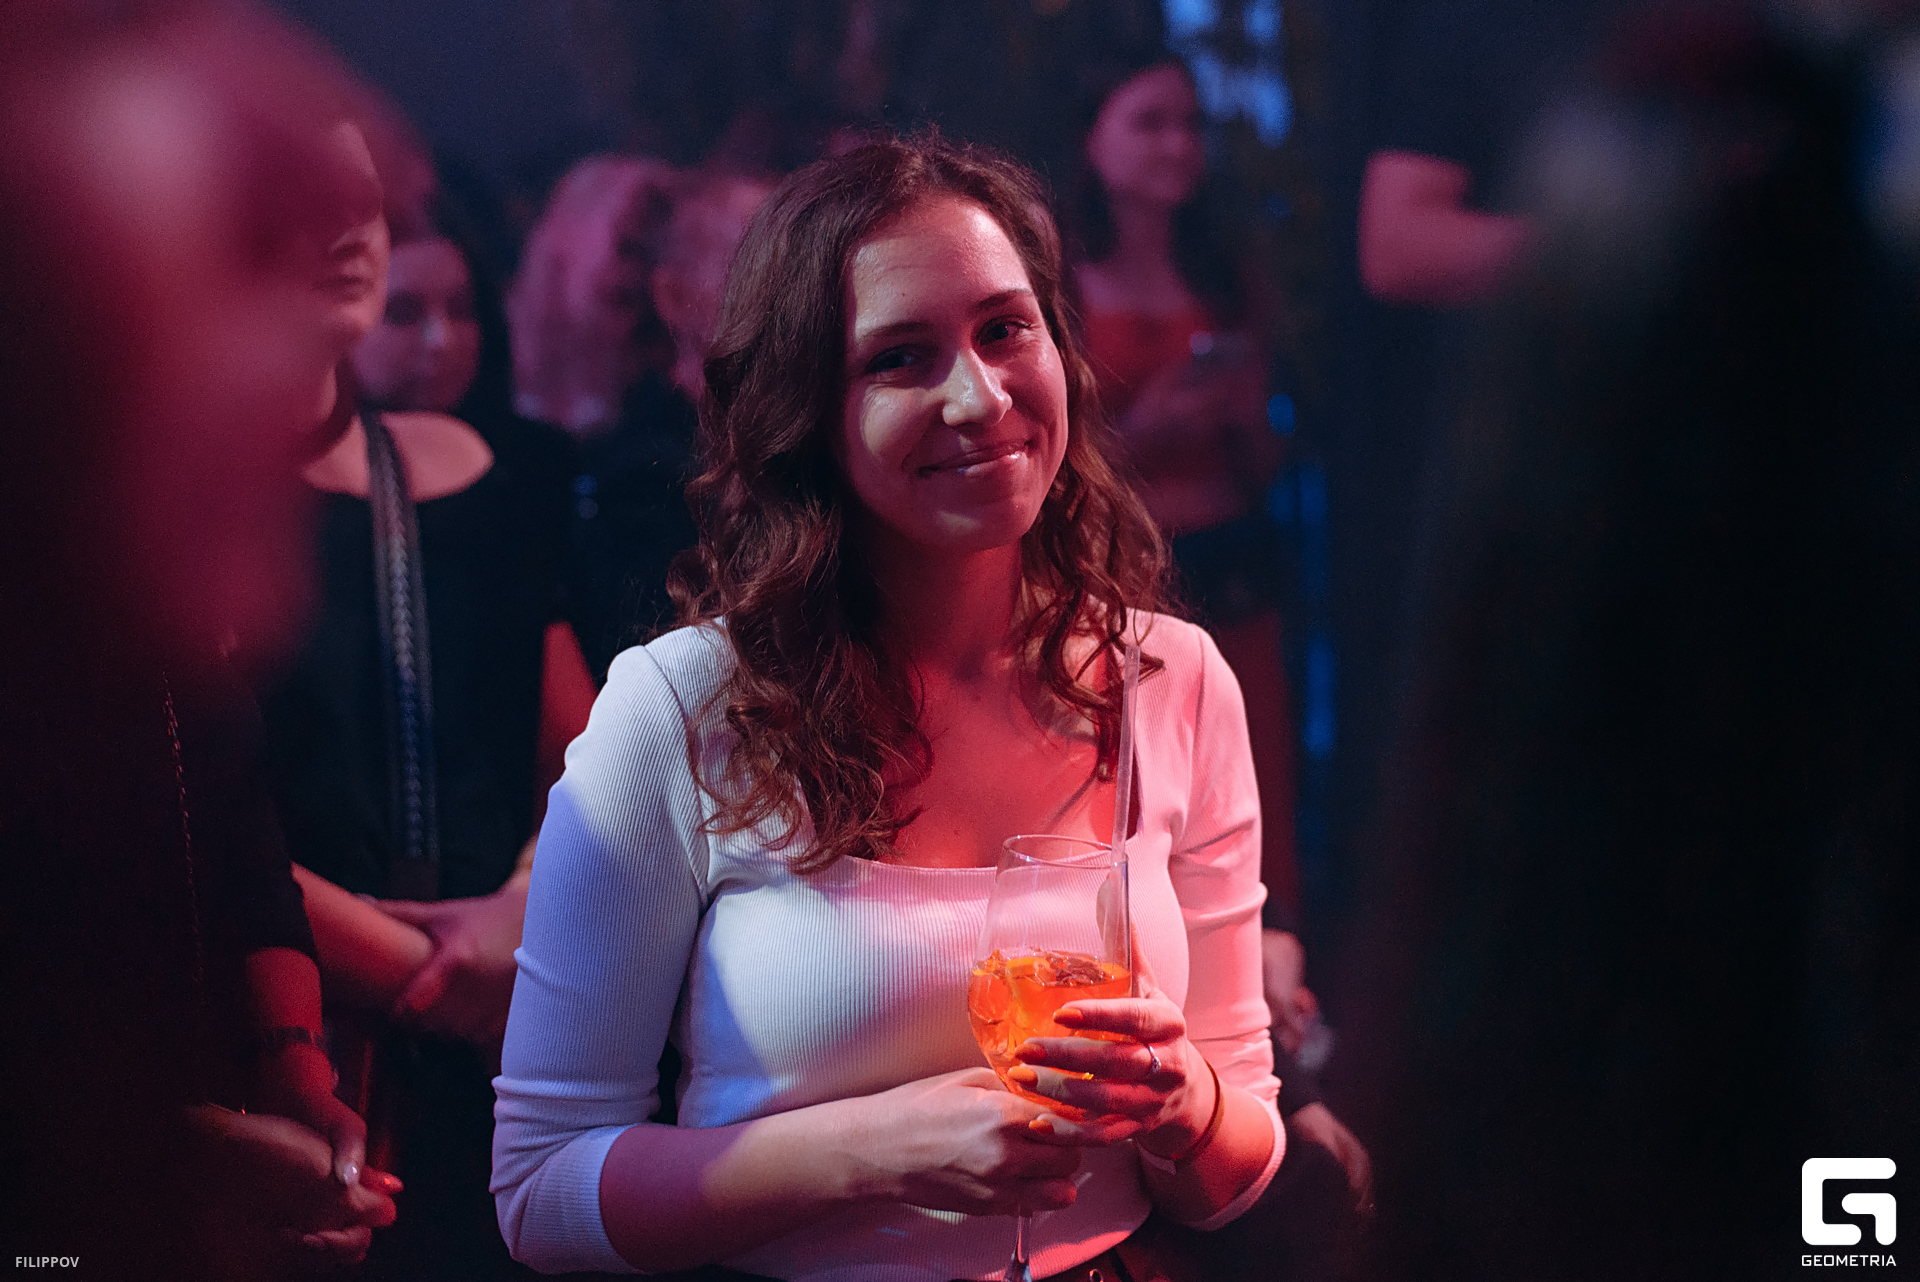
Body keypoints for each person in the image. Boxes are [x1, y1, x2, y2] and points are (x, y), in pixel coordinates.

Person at [493, 134, 1290, 1282]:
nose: (980, 396)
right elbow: (541, 1188)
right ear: (807, 411)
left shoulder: (1175, 677)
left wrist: (1185, 1102)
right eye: (902, 358)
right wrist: (875, 1151)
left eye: (1005, 330)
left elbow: (1234, 1174)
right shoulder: (680, 708)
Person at [0, 3, 402, 1274]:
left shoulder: (129, 643)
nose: (354, 180)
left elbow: (232, 823)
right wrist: (163, 1162)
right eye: (111, 32)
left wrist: (288, 1066)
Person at [257, 192, 587, 1280]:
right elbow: (182, 823)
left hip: (495, 1019)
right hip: (287, 1022)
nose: (346, 227)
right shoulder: (174, 494)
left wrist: (523, 907)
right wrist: (446, 974)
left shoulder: (466, 473)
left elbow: (588, 767)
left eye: (361, 200)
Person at [1068, 59, 1301, 922]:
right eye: (1151, 122)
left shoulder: (1226, 277)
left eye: (1190, 124)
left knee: (1252, 789)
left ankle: (1269, 973)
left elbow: (1268, 460)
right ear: (1092, 138)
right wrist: (1143, 430)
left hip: (1231, 570)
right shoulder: (1059, 282)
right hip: (1118, 578)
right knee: (1137, 796)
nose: (1178, 144)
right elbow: (1051, 462)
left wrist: (1241, 416)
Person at [566, 168, 775, 682]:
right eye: (757, 266)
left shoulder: (807, 436)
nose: (791, 294)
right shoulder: (638, 476)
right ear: (673, 296)